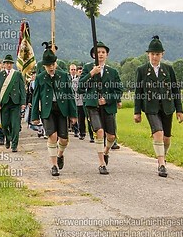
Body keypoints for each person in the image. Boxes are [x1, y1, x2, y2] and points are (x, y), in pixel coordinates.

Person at [134, 36, 183, 177]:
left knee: (166, 138)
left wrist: (179, 110)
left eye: (157, 54)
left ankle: (163, 156)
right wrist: (137, 112)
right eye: (152, 54)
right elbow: (138, 92)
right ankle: (161, 164)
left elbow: (175, 90)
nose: (154, 57)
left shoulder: (168, 69)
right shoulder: (142, 70)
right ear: (148, 54)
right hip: (151, 107)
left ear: (162, 54)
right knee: (158, 134)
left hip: (167, 107)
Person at [31, 49, 77, 176]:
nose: (51, 67)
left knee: (64, 139)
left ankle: (60, 155)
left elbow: (70, 95)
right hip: (48, 110)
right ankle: (54, 165)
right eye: (48, 65)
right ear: (44, 66)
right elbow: (35, 98)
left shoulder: (63, 76)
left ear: (55, 64)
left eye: (53, 64)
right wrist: (34, 116)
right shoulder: (40, 78)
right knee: (52, 136)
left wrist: (73, 114)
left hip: (62, 110)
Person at [79, 41, 123, 175]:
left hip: (108, 107)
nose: (101, 54)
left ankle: (106, 152)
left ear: (107, 55)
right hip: (93, 106)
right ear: (93, 55)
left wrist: (108, 99)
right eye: (98, 52)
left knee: (111, 136)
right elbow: (80, 87)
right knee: (99, 132)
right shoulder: (87, 68)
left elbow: (119, 90)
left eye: (103, 52)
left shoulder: (113, 72)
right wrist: (91, 73)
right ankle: (101, 164)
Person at [0, 54, 26, 152]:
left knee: (15, 125)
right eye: (7, 63)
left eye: (10, 63)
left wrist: (23, 102)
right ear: (4, 64)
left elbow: (22, 89)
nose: (8, 65)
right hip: (4, 103)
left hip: (15, 103)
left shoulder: (17, 74)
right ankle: (8, 138)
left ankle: (14, 145)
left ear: (12, 64)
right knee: (4, 125)